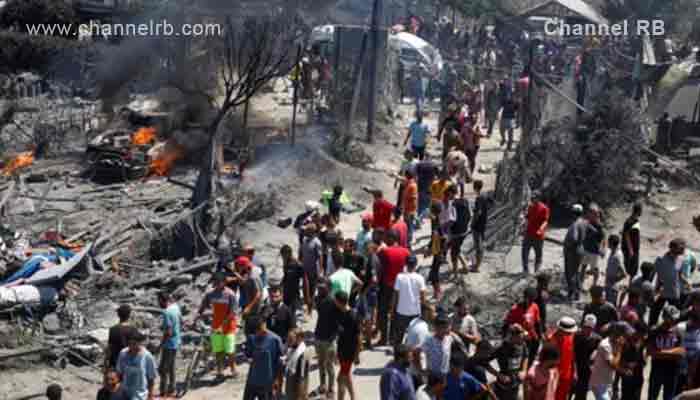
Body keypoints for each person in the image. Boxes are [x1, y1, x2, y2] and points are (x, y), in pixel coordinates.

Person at [196, 272, 238, 378]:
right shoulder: (210, 294)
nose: (217, 284)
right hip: (216, 326)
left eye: (219, 282)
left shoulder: (230, 294)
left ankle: (233, 368)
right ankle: (220, 370)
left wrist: (222, 326)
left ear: (224, 282)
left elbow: (232, 313)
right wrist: (196, 317)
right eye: (215, 282)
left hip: (229, 326)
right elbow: (202, 307)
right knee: (218, 350)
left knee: (230, 350)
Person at [377, 231, 410, 346]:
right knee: (396, 312)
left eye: (386, 238)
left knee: (383, 312)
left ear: (391, 238)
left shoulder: (384, 252)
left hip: (386, 286)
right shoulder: (406, 251)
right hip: (401, 287)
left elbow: (379, 269)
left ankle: (383, 338)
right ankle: (392, 338)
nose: (385, 240)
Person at [243, 315, 285, 400]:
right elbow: (248, 354)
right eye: (256, 331)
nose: (257, 333)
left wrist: (277, 382)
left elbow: (280, 363)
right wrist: (248, 358)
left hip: (268, 383)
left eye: (260, 329)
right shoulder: (252, 337)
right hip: (252, 380)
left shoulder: (275, 340)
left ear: (264, 324)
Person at [648, 305, 684, 400]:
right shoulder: (655, 330)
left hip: (672, 371)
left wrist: (660, 353)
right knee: (652, 396)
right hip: (657, 370)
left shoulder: (678, 331)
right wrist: (672, 353)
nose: (673, 321)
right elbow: (651, 352)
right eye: (670, 318)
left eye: (674, 318)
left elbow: (680, 353)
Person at [485, 323, 529, 400]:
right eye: (521, 337)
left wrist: (524, 370)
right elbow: (484, 362)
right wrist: (498, 375)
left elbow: (526, 356)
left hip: (516, 384)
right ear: (513, 336)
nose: (523, 339)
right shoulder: (500, 348)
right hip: (503, 388)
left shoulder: (522, 344)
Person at [650, 239, 687, 327]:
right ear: (672, 248)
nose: (681, 251)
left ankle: (671, 329)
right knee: (654, 312)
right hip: (661, 291)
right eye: (679, 249)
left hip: (674, 291)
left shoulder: (681, 260)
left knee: (674, 314)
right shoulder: (660, 259)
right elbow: (652, 274)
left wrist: (687, 283)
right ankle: (652, 328)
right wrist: (650, 289)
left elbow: (680, 275)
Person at [392, 254, 427, 347]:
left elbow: (396, 295)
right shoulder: (420, 278)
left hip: (401, 311)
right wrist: (423, 311)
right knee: (414, 335)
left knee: (399, 335)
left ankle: (398, 352)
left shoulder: (399, 277)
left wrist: (392, 309)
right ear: (415, 264)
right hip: (415, 311)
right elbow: (423, 297)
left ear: (406, 264)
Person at [588, 323, 630, 400]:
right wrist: (620, 348)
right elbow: (613, 365)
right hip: (599, 383)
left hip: (607, 382)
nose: (623, 338)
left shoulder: (614, 343)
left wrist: (623, 370)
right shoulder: (605, 345)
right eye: (622, 335)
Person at [420, 311, 468, 377]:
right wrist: (424, 367)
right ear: (436, 327)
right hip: (433, 374)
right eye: (442, 328)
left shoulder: (449, 338)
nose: (445, 330)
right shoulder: (429, 340)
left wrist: (465, 353)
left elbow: (461, 344)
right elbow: (422, 353)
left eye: (446, 327)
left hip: (446, 373)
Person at [504, 287, 542, 365]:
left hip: (531, 337)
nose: (531, 301)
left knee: (531, 357)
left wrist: (539, 336)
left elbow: (537, 322)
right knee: (521, 358)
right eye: (530, 299)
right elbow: (507, 324)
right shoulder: (515, 309)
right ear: (525, 297)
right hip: (519, 339)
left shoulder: (534, 306)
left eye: (533, 299)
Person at [116, 330, 157, 400]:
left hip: (140, 395)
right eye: (129, 344)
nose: (132, 346)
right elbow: (119, 373)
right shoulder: (123, 353)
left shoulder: (147, 356)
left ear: (140, 343)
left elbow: (151, 378)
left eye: (134, 344)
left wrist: (150, 396)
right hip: (124, 393)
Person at [335, 290, 361, 400]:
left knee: (340, 379)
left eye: (335, 301)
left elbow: (359, 338)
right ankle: (353, 397)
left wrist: (357, 355)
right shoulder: (340, 313)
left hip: (348, 353)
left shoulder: (353, 316)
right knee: (347, 376)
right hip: (342, 351)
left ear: (339, 302)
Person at [157, 292, 181, 398]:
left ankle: (163, 391)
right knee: (171, 367)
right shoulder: (176, 307)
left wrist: (160, 344)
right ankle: (172, 389)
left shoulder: (166, 312)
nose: (158, 303)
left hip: (169, 344)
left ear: (161, 300)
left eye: (159, 301)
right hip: (176, 341)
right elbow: (180, 321)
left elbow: (169, 332)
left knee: (163, 369)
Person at [405, 304, 434, 388]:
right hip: (416, 373)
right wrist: (421, 374)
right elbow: (417, 352)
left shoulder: (415, 320)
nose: (435, 314)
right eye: (433, 312)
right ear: (426, 313)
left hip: (410, 369)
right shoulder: (423, 329)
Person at [547, 317, 577, 400]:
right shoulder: (551, 340)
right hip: (553, 376)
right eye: (568, 332)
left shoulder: (571, 337)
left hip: (566, 376)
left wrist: (574, 372)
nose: (570, 333)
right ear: (561, 330)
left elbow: (572, 356)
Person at [573, 315, 602, 400]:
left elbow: (601, 351)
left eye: (590, 328)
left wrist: (596, 352)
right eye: (586, 327)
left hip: (586, 370)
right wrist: (574, 370)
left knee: (581, 393)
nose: (588, 330)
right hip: (575, 366)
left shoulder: (597, 339)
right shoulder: (576, 336)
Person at [522, 191, 549, 274]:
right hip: (528, 233)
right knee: (524, 252)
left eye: (534, 197)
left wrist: (540, 230)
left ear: (538, 198)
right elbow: (527, 217)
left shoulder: (544, 208)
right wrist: (523, 220)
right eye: (532, 197)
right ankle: (525, 270)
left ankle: (536, 271)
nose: (532, 199)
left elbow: (545, 221)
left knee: (538, 254)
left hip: (538, 236)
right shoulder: (530, 207)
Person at [581, 203, 606, 289]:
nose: (595, 215)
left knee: (595, 269)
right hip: (586, 248)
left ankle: (594, 284)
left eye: (596, 214)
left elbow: (604, 237)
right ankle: (581, 283)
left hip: (594, 251)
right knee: (583, 266)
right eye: (592, 213)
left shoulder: (599, 225)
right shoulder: (586, 222)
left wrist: (603, 249)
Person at [564, 204, 586, 300]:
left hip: (573, 251)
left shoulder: (575, 224)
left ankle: (571, 293)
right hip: (580, 249)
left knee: (570, 273)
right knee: (576, 272)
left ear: (574, 213)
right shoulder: (583, 222)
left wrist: (568, 246)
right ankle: (577, 294)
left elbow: (574, 238)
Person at [106, 304, 138, 370]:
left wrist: (106, 363)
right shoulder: (133, 329)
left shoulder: (113, 329)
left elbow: (109, 348)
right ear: (129, 315)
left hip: (115, 363)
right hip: (129, 363)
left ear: (118, 315)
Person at [300, 224, 323, 312]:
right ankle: (306, 304)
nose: (305, 231)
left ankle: (310, 308)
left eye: (307, 230)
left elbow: (320, 257)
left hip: (313, 271)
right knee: (305, 288)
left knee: (312, 290)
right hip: (305, 268)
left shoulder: (317, 243)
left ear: (312, 232)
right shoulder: (304, 239)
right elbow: (301, 251)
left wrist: (320, 271)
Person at [281, 244, 306, 316]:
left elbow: (305, 279)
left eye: (283, 255)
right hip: (286, 293)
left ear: (288, 254)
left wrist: (306, 296)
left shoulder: (297, 265)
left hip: (294, 294)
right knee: (286, 312)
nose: (282, 257)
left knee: (293, 313)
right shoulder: (286, 263)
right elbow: (285, 276)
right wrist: (281, 285)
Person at [285, 328, 309, 400]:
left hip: (297, 385)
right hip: (290, 380)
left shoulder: (303, 353)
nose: (288, 341)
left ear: (300, 339)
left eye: (291, 339)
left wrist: (300, 394)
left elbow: (302, 376)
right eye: (288, 339)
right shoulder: (292, 347)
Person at [449, 191, 470, 274]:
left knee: (453, 252)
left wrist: (448, 231)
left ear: (451, 193)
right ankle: (465, 266)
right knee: (457, 249)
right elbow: (469, 216)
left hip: (456, 232)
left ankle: (455, 272)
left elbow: (452, 220)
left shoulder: (453, 204)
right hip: (464, 231)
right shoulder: (465, 201)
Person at [605, 234, 628, 306]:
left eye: (608, 242)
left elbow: (624, 273)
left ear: (611, 243)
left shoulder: (617, 256)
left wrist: (615, 280)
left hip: (613, 286)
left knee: (611, 305)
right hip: (609, 284)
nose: (607, 243)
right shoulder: (613, 252)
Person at [471, 180, 489, 273]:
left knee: (478, 246)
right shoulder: (485, 195)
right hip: (483, 223)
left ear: (475, 187)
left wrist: (472, 223)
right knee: (480, 244)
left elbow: (478, 212)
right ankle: (477, 264)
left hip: (477, 224)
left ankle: (477, 266)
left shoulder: (479, 198)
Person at [621, 203, 642, 280]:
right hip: (630, 249)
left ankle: (630, 283)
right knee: (630, 268)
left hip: (633, 248)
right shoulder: (630, 221)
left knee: (633, 269)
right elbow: (627, 236)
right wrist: (631, 250)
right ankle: (629, 283)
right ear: (639, 211)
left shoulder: (635, 220)